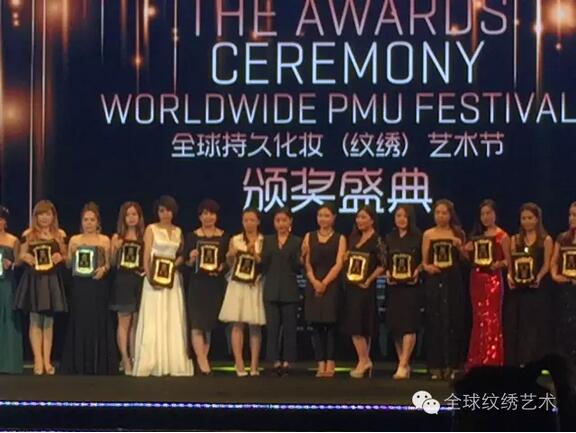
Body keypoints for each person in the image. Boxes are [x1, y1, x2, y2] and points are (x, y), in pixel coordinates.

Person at [132, 195, 193, 376]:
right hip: (154, 281)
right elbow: (146, 256)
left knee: (172, 318)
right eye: (161, 211)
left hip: (172, 280)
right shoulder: (151, 229)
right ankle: (153, 361)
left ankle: (172, 362)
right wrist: (150, 277)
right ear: (157, 212)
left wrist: (174, 265)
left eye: (168, 211)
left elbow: (181, 255)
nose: (165, 214)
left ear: (173, 212)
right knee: (154, 318)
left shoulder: (178, 231)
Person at [60, 202, 117, 374]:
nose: (89, 223)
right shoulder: (75, 240)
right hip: (80, 286)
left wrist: (104, 269)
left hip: (98, 285)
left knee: (98, 321)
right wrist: (70, 253)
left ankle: (99, 364)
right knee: (80, 320)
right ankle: (79, 364)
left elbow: (109, 263)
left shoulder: (105, 240)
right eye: (86, 220)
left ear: (98, 222)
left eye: (92, 220)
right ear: (81, 222)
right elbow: (68, 265)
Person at [14, 200, 67, 375]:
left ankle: (47, 360)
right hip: (34, 280)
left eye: (47, 214)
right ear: (35, 217)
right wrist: (25, 257)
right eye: (41, 214)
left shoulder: (59, 234)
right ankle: (37, 359)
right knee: (35, 319)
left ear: (53, 216)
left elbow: (67, 256)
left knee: (49, 321)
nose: (44, 218)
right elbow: (20, 256)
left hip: (51, 280)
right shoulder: (28, 234)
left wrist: (61, 257)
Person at [422, 199, 468, 380]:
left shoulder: (458, 233)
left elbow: (466, 260)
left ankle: (453, 364)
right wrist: (428, 268)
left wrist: (460, 246)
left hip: (453, 280)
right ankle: (436, 365)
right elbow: (424, 262)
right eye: (437, 213)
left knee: (453, 321)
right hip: (435, 280)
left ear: (450, 215)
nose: (440, 216)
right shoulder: (428, 234)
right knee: (435, 321)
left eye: (444, 213)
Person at [504, 202, 553, 367]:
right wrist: (510, 276)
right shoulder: (515, 239)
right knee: (518, 325)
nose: (526, 221)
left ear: (537, 219)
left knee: (534, 326)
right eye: (523, 218)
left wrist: (538, 277)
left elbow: (546, 264)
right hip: (518, 290)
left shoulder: (546, 240)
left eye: (530, 218)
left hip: (536, 289)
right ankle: (519, 362)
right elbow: (511, 264)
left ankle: (535, 363)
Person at [219, 208, 265, 377]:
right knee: (237, 323)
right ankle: (239, 362)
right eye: (246, 220)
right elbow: (230, 263)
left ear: (258, 221)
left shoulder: (263, 240)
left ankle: (254, 364)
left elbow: (265, 263)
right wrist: (230, 256)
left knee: (255, 325)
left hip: (255, 284)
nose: (249, 223)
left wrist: (255, 254)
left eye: (252, 220)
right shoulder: (235, 239)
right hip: (238, 284)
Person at [464, 199, 510, 371]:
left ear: (495, 214)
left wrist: (499, 264)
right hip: (476, 279)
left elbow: (508, 261)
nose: (485, 217)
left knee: (492, 318)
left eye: (489, 213)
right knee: (478, 319)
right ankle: (477, 359)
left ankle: (492, 359)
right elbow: (469, 259)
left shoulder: (502, 236)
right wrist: (465, 250)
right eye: (483, 214)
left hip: (493, 280)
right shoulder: (477, 236)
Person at [185, 199, 229, 375]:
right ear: (199, 216)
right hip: (197, 285)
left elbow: (227, 262)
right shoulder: (192, 236)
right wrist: (192, 258)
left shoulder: (224, 237)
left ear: (216, 216)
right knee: (196, 324)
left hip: (215, 285)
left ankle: (203, 358)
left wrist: (222, 266)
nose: (208, 217)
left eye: (211, 213)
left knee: (209, 325)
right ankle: (202, 360)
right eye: (205, 214)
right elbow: (187, 264)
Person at [302, 204, 346, 378]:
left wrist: (325, 283)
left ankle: (331, 362)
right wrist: (314, 282)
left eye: (327, 215)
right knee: (316, 325)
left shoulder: (340, 238)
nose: (323, 219)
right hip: (313, 282)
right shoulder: (309, 236)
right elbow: (306, 263)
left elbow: (339, 263)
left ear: (333, 218)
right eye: (320, 215)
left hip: (332, 284)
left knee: (331, 325)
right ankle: (320, 363)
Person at [340, 206, 384, 379]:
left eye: (364, 217)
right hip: (352, 287)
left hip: (366, 288)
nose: (360, 220)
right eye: (358, 217)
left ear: (372, 220)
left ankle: (364, 361)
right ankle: (364, 360)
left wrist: (369, 280)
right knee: (353, 325)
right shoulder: (353, 238)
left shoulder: (377, 240)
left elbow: (383, 264)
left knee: (364, 324)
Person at [261, 208, 302, 376]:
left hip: (289, 289)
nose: (281, 224)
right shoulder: (268, 240)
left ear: (290, 221)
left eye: (284, 220)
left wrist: (301, 259)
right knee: (272, 328)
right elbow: (263, 265)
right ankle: (274, 361)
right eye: (278, 220)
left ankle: (288, 361)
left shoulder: (297, 241)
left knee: (290, 328)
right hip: (271, 289)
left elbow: (297, 268)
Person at [384, 204, 423, 380]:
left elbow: (424, 260)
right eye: (398, 215)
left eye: (404, 216)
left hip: (411, 288)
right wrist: (387, 272)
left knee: (409, 325)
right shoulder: (389, 237)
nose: (401, 219)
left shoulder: (418, 237)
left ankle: (403, 363)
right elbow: (385, 261)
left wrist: (417, 271)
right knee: (396, 326)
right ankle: (403, 362)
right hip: (394, 288)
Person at [110, 202, 145, 375]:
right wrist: (115, 250)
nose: (131, 218)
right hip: (123, 281)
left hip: (139, 281)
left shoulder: (144, 237)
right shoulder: (117, 237)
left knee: (136, 323)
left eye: (134, 214)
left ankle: (134, 357)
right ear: (123, 218)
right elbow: (111, 263)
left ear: (139, 217)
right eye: (128, 215)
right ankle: (124, 359)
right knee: (124, 322)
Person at [550, 202, 576, 367]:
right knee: (566, 327)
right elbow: (554, 262)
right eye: (570, 215)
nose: (571, 218)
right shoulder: (562, 238)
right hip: (566, 289)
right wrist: (555, 275)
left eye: (575, 215)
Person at [0, 206, 23, 374]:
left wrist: (12, 264)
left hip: (7, 284)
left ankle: (9, 363)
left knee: (8, 319)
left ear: (5, 222)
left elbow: (19, 262)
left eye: (1, 219)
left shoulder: (13, 240)